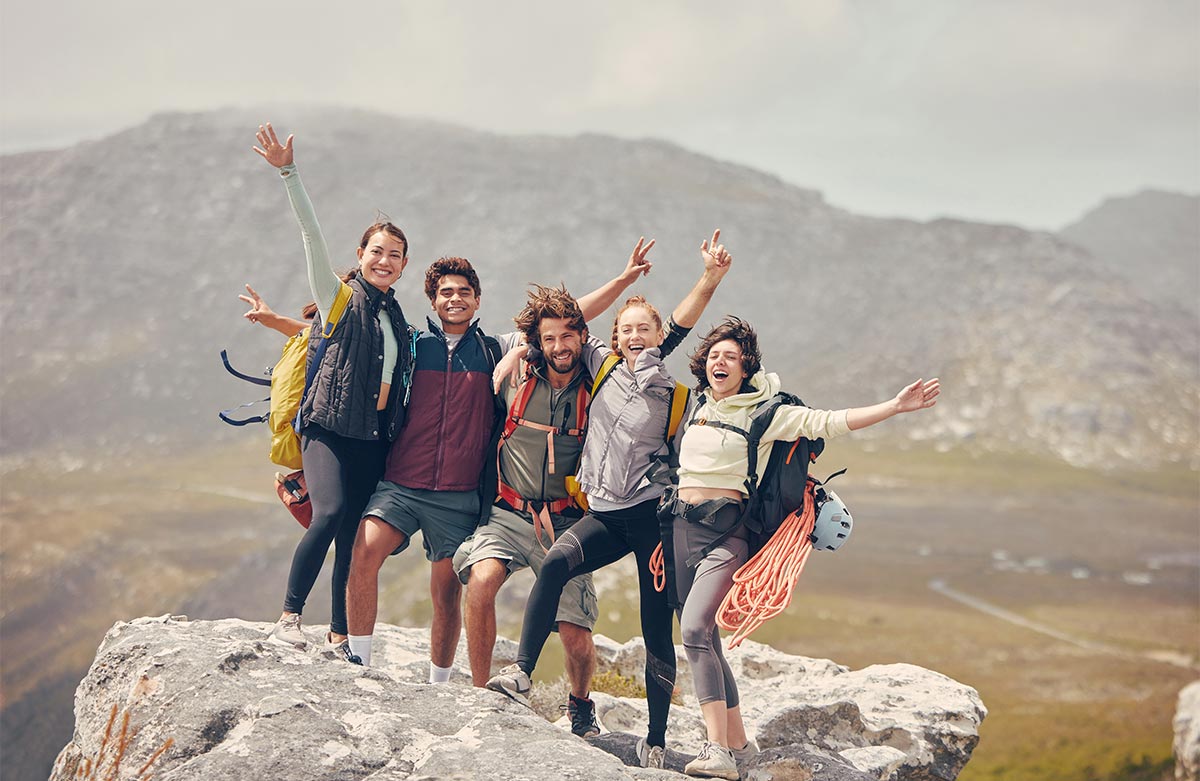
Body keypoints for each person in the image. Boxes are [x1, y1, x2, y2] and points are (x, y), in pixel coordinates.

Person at [485, 231, 733, 768]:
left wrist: (708, 280)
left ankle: (658, 740)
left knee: (653, 628)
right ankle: (522, 672)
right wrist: (527, 346)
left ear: (659, 334)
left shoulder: (672, 388)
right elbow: (566, 323)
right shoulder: (600, 365)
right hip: (605, 516)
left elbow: (685, 324)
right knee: (553, 565)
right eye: (626, 329)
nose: (635, 335)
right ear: (614, 337)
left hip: (652, 523)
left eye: (646, 328)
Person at [664, 316, 939, 780]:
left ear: (746, 367)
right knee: (707, 638)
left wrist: (893, 406)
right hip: (679, 531)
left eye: (730, 356)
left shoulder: (766, 412)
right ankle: (739, 743)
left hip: (726, 535)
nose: (720, 361)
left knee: (693, 631)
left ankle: (717, 753)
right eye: (714, 355)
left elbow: (829, 422)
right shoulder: (696, 408)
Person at [252, 122, 414, 655]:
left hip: (373, 439)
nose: (384, 260)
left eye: (394, 255)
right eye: (377, 251)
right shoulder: (341, 295)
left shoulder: (396, 316)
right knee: (326, 515)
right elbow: (309, 235)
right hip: (327, 429)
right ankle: (289, 616)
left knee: (353, 539)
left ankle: (341, 633)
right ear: (362, 253)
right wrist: (289, 173)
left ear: (403, 265)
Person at [452, 282, 619, 738]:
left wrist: (624, 281)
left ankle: (581, 706)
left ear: (582, 337)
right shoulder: (519, 374)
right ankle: (483, 692)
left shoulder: (599, 386)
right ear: (536, 342)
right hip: (507, 514)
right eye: (549, 339)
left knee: (575, 634)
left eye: (568, 337)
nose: (559, 347)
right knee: (481, 582)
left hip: (565, 523)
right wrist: (521, 348)